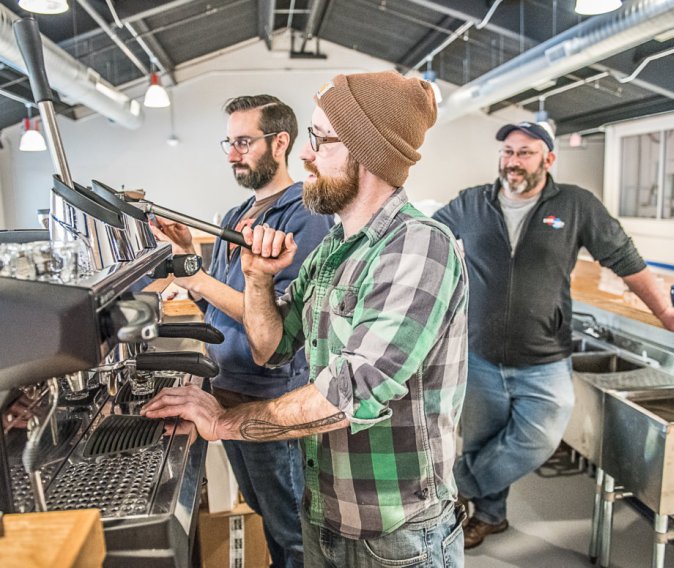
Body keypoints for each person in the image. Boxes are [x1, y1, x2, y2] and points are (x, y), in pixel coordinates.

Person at [143, 70, 469, 568]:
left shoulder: (420, 246)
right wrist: (256, 279)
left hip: (394, 534)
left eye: (321, 139)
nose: (305, 154)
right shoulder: (335, 250)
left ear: (369, 153)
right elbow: (270, 348)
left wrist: (224, 423)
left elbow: (350, 394)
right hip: (327, 513)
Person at [432, 121, 674, 549]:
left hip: (545, 357)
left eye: (525, 152)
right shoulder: (471, 203)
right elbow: (425, 239)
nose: (512, 161)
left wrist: (662, 309)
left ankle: (448, 491)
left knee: (538, 440)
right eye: (508, 151)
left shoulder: (575, 204)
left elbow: (623, 256)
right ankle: (489, 517)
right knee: (481, 441)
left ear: (549, 159)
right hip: (481, 355)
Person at [150, 94, 334, 568]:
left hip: (270, 398)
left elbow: (273, 318)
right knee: (264, 512)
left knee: (293, 530)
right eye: (228, 143)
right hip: (227, 389)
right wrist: (190, 256)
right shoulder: (236, 217)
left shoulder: (304, 214)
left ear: (281, 142)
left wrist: (196, 277)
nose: (232, 153)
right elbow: (219, 301)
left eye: (244, 142)